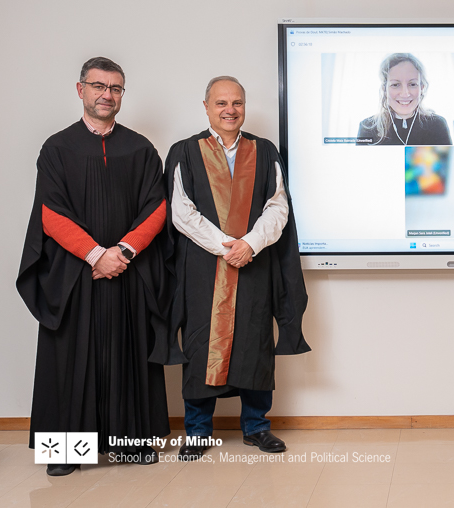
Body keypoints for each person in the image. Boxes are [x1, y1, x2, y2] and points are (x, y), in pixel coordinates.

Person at [16, 57, 170, 476]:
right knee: (69, 361)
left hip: (128, 272)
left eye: (115, 88)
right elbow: (50, 213)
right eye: (99, 86)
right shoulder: (57, 148)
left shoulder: (141, 149)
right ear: (80, 89)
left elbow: (157, 208)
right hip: (74, 275)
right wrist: (95, 255)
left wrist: (123, 252)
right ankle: (67, 451)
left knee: (129, 358)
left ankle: (130, 445)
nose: (107, 94)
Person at [161, 76, 309, 461]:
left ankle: (257, 427)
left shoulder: (264, 150)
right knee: (200, 346)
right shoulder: (185, 152)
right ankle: (198, 432)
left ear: (244, 106)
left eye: (237, 103)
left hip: (254, 266)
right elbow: (180, 211)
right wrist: (226, 247)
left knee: (254, 343)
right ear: (206, 107)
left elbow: (278, 206)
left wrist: (250, 244)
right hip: (202, 270)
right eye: (221, 103)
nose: (230, 110)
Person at [357, 53, 452, 146]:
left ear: (422, 88)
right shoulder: (367, 128)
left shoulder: (437, 125)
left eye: (412, 84)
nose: (405, 94)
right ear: (384, 90)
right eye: (395, 85)